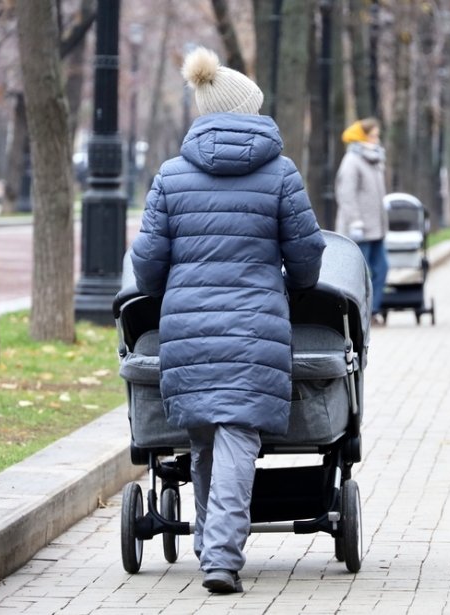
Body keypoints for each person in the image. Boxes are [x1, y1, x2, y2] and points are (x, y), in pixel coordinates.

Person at [130, 47, 325, 594]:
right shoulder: (281, 173)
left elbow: (146, 265)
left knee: (206, 437)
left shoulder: (169, 177)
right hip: (253, 325)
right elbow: (307, 255)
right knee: (238, 435)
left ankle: (208, 548)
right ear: (248, 112)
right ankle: (220, 557)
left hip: (187, 329)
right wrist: (293, 285)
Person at [334, 118, 388, 325]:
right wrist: (355, 221)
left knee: (381, 268)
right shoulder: (352, 161)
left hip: (377, 228)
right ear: (363, 136)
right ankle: (360, 314)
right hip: (360, 229)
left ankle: (373, 310)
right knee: (360, 274)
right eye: (374, 135)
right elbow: (346, 194)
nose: (377, 139)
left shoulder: (374, 160)